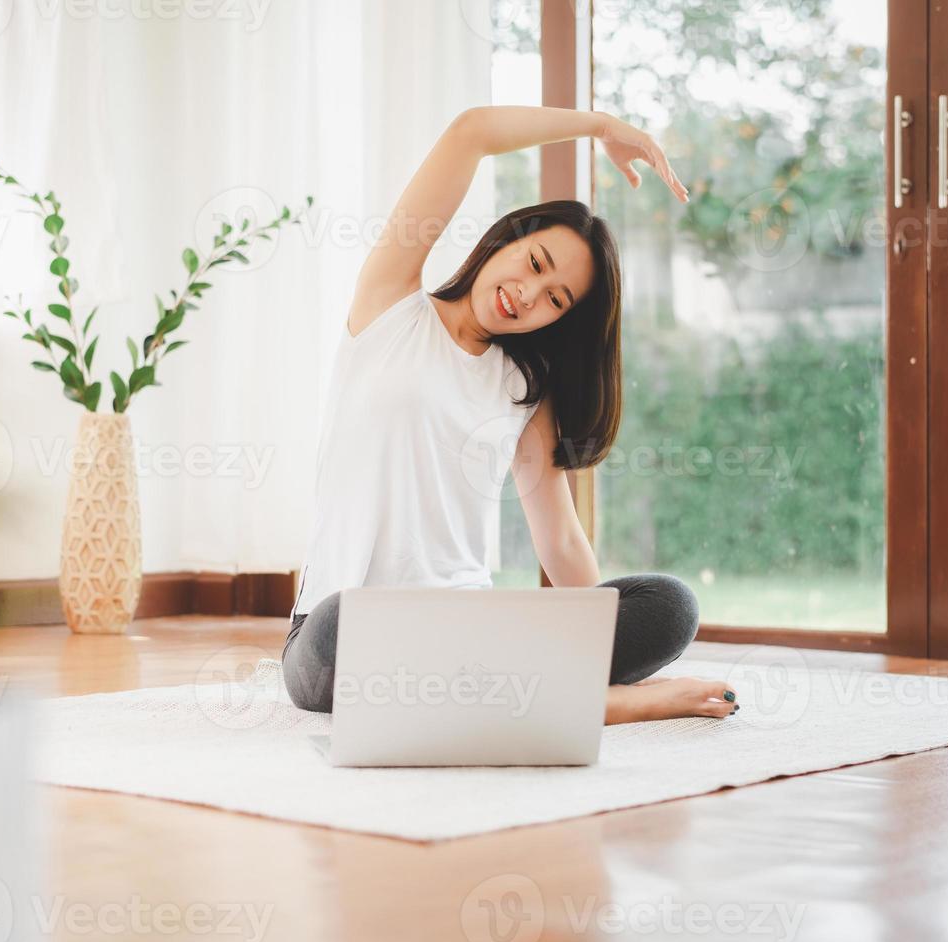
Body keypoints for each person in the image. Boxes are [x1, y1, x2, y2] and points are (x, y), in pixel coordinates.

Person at [281, 105, 740, 724]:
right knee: (346, 627)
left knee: (668, 606)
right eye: (536, 263)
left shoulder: (524, 387)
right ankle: (595, 704)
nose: (528, 294)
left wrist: (588, 637)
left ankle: (537, 689)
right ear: (507, 237)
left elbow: (559, 537)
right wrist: (600, 126)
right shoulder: (390, 304)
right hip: (344, 634)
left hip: (471, 626)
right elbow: (469, 133)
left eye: (555, 299)